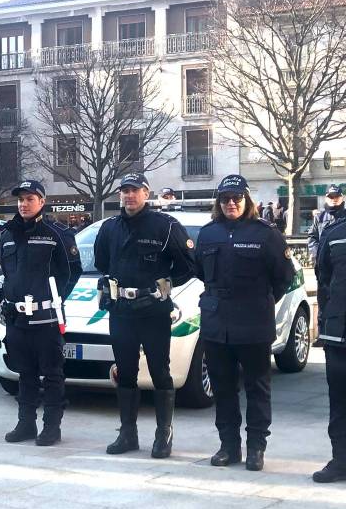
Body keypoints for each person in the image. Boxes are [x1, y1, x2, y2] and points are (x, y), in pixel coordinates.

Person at [195, 175, 294, 471]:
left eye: (237, 198)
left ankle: (256, 448)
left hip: (253, 321)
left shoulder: (267, 234)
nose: (231, 203)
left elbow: (283, 278)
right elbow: (201, 272)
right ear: (218, 202)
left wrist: (258, 302)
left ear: (247, 200)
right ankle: (228, 446)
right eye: (225, 199)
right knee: (223, 388)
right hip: (217, 322)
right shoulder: (208, 233)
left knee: (257, 388)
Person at [93, 173, 195, 458]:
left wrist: (164, 283)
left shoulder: (165, 226)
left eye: (135, 191)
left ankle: (164, 434)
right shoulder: (110, 228)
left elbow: (188, 265)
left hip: (153, 311)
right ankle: (128, 434)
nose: (129, 196)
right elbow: (102, 262)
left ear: (146, 193)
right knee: (125, 373)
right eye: (124, 191)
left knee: (161, 373)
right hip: (121, 311)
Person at [0, 179, 82, 446]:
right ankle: (26, 424)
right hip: (17, 318)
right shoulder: (8, 234)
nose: (24, 204)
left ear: (42, 202)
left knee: (52, 373)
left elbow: (72, 271)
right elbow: (8, 273)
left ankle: (51, 426)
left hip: (46, 318)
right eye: (20, 199)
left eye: (30, 199)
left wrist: (54, 300)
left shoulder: (57, 233)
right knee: (26, 373)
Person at [314, 214, 346, 483]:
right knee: (339, 403)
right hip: (338, 334)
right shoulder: (334, 233)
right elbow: (323, 278)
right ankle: (340, 461)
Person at [308, 185, 345, 259]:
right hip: (324, 259)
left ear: (342, 198)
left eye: (337, 196)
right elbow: (313, 238)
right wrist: (316, 253)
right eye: (331, 197)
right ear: (326, 199)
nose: (334, 199)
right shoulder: (319, 217)